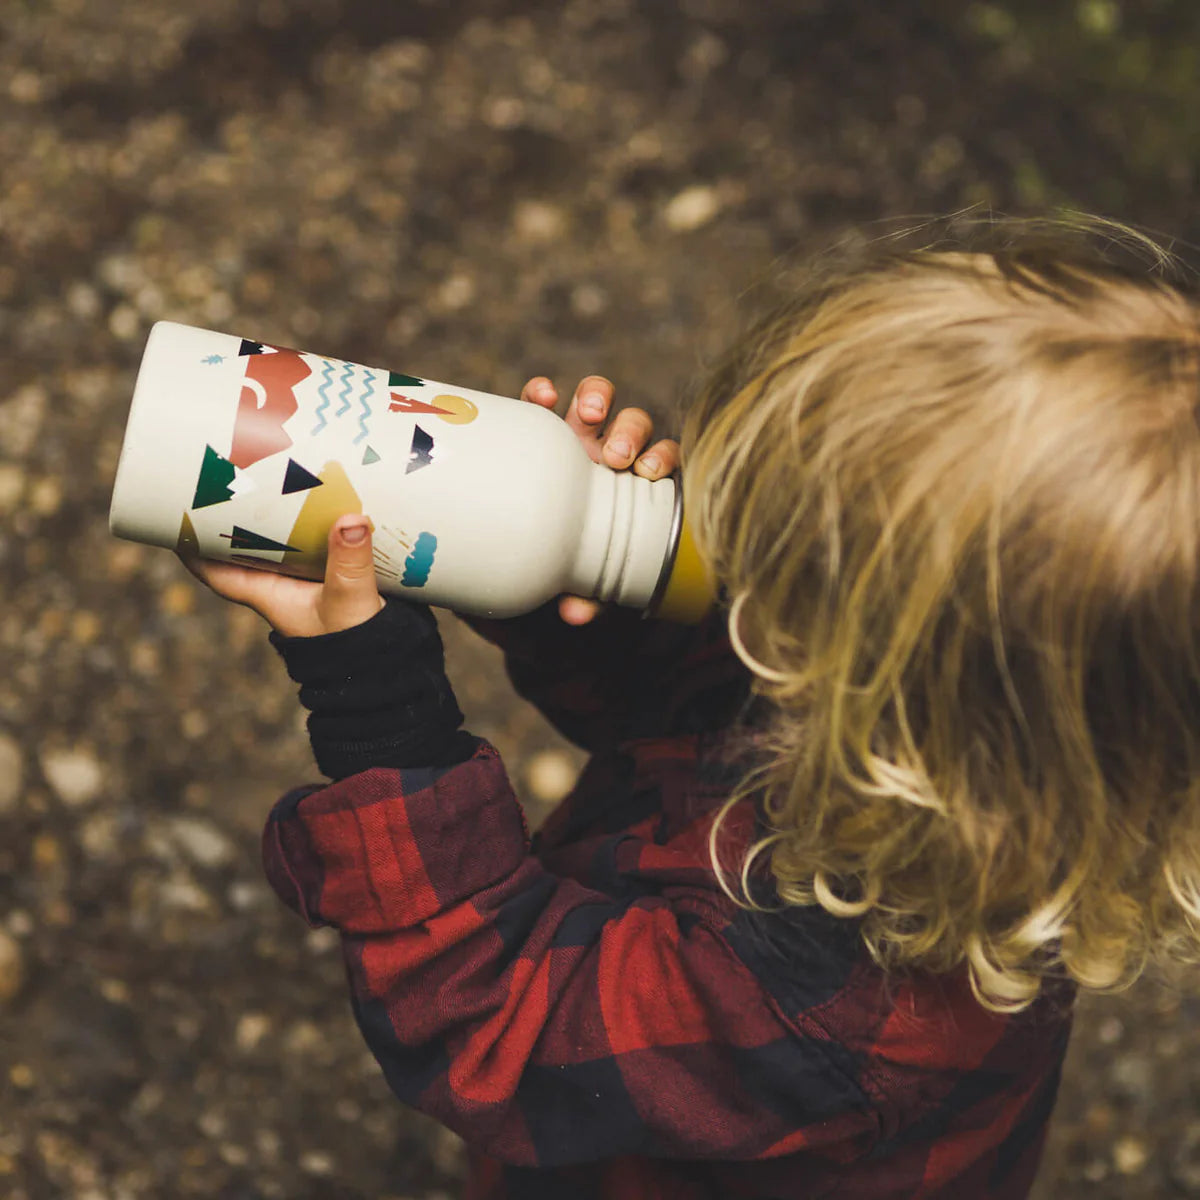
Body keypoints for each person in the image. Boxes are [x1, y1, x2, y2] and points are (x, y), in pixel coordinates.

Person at [179, 214, 1200, 1198]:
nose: (722, 554)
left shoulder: (843, 999)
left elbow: (502, 1027)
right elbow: (687, 709)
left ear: (905, 698)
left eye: (773, 558)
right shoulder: (916, 738)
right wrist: (559, 561)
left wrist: (376, 698)